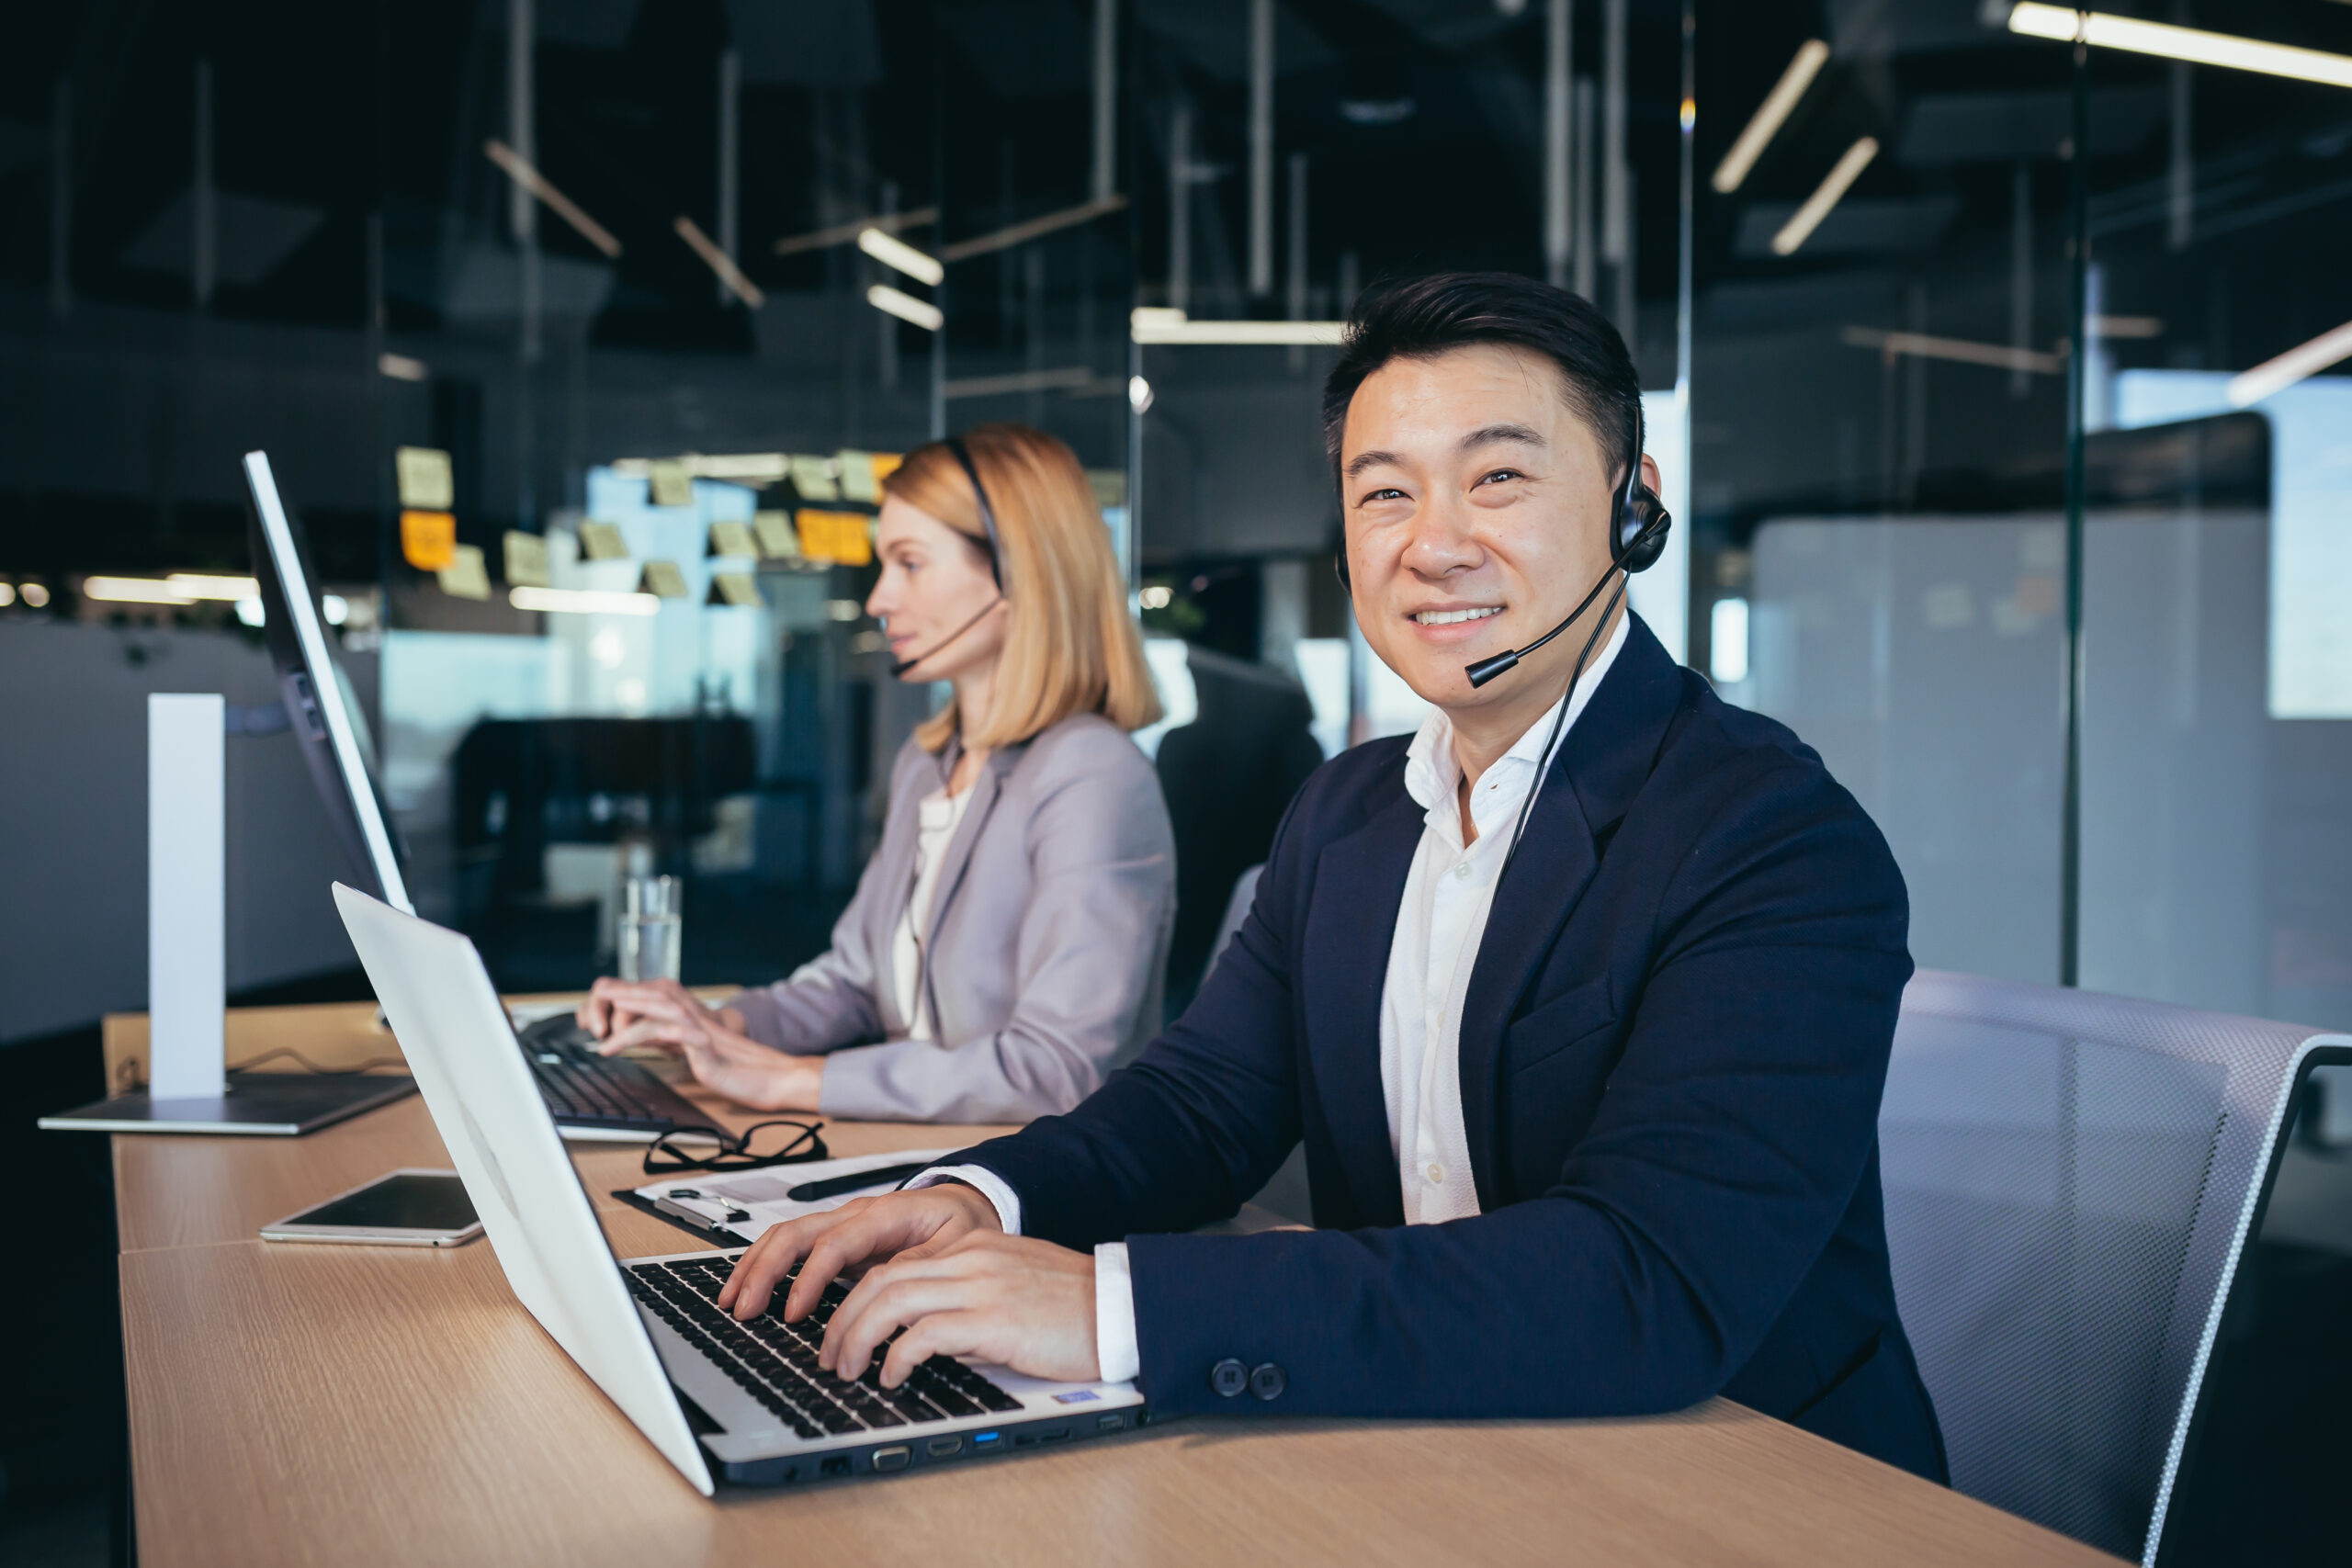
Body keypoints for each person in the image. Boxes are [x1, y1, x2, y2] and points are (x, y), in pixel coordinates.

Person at [708, 275, 1948, 1481]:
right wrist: (987, 1195)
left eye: (1499, 477)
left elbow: (1644, 1282)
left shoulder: (1772, 838)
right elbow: (1200, 1103)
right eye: (1383, 494)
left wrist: (1112, 1306)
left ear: (1636, 502)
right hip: (1428, 1448)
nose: (1434, 545)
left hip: (1745, 1487)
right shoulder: (1349, 813)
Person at [578, 424, 1174, 1124]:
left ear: (1020, 574)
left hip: (1035, 1186)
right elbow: (854, 983)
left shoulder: (1092, 775)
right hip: (917, 1151)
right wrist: (713, 1028)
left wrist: (794, 1082)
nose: (878, 598)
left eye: (910, 563)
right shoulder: (928, 764)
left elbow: (1056, 1070)